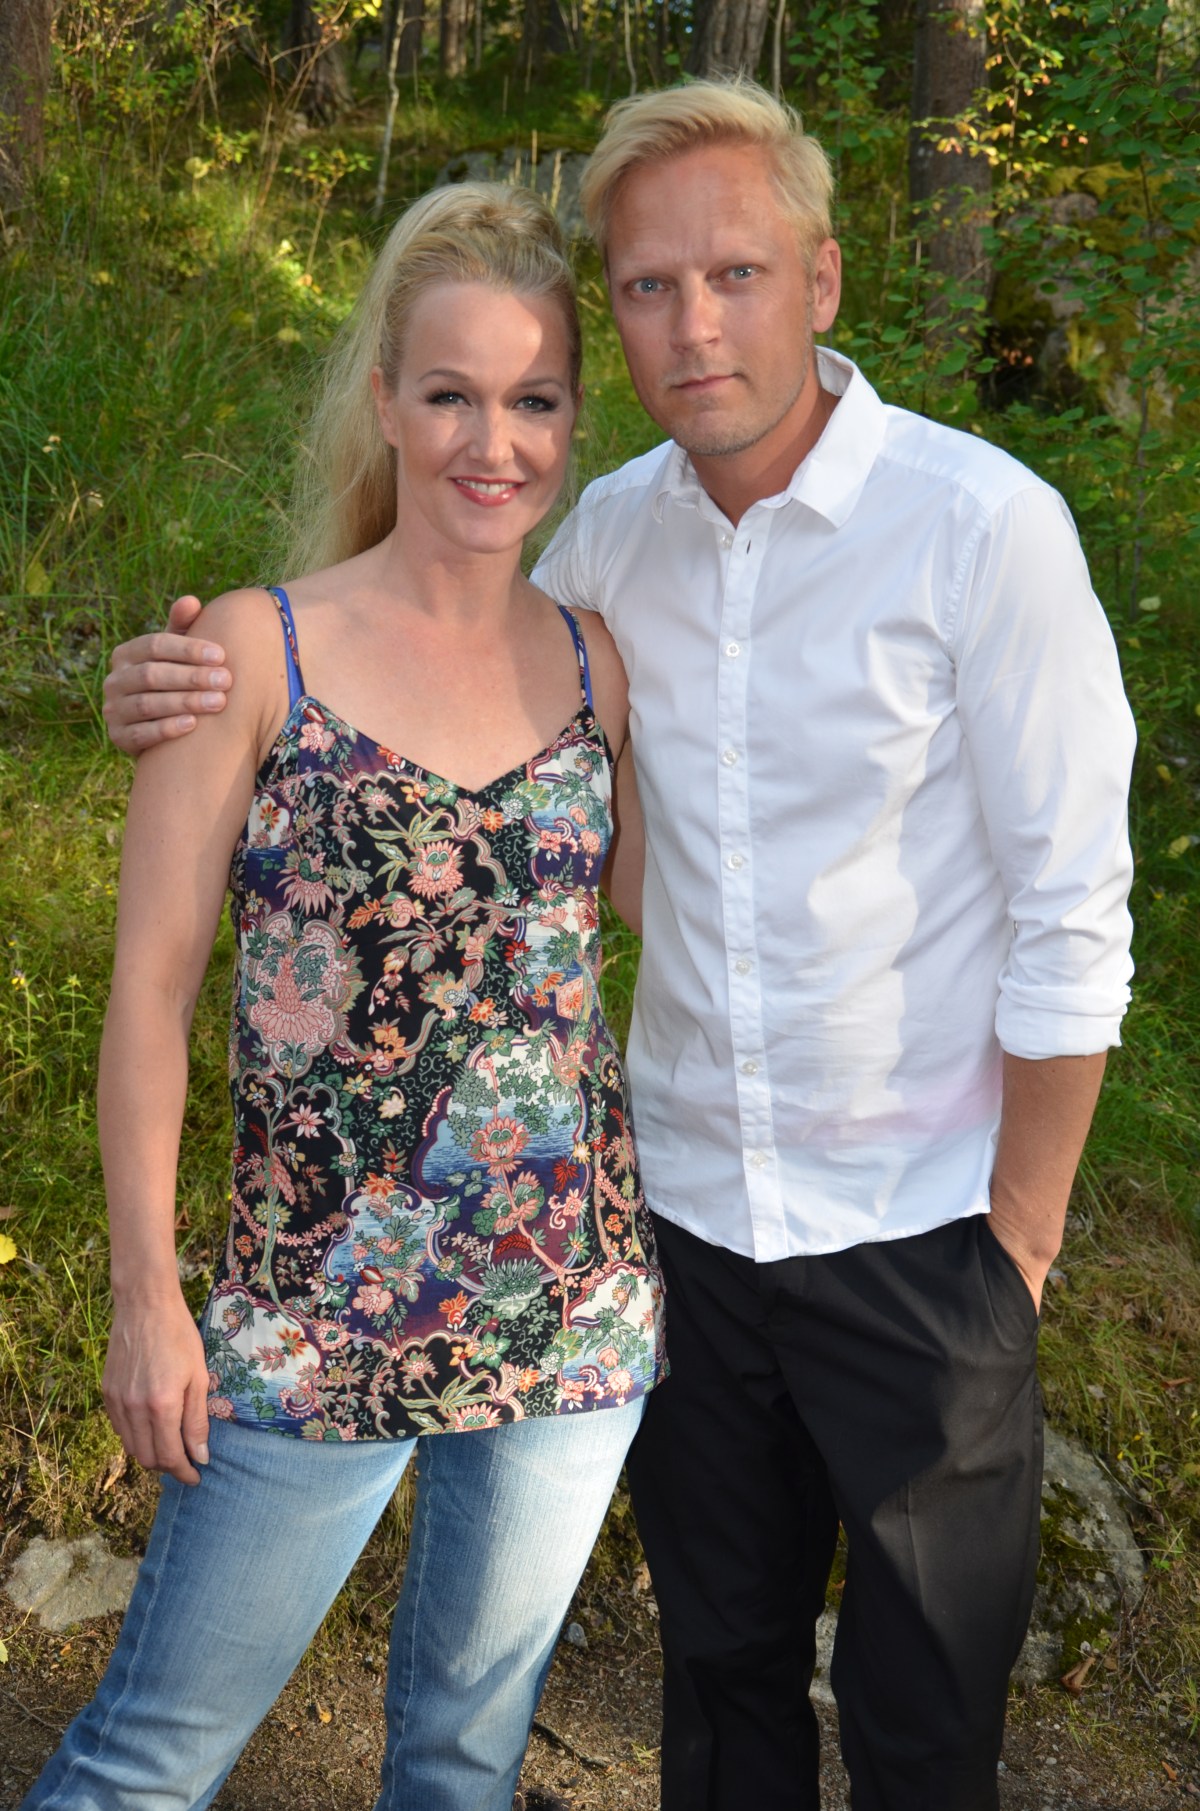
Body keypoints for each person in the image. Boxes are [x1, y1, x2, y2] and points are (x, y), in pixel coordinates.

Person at [103, 78, 1137, 1811]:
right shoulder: (604, 551)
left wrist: (1016, 1249)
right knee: (719, 1699)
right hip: (670, 1241)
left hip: (908, 1236)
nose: (695, 322)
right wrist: (175, 687)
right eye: (651, 286)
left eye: (736, 274)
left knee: (922, 1729)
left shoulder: (982, 530)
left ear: (821, 278)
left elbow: (1073, 919)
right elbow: (424, 702)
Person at [25, 181, 666, 1811]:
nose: (492, 443)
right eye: (450, 394)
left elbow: (687, 918)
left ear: (572, 419)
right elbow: (150, 998)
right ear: (384, 400)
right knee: (149, 1762)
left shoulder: (597, 663)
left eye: (534, 401)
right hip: (312, 1312)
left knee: (463, 1763)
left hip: (570, 1308)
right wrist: (148, 1296)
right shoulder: (252, 657)